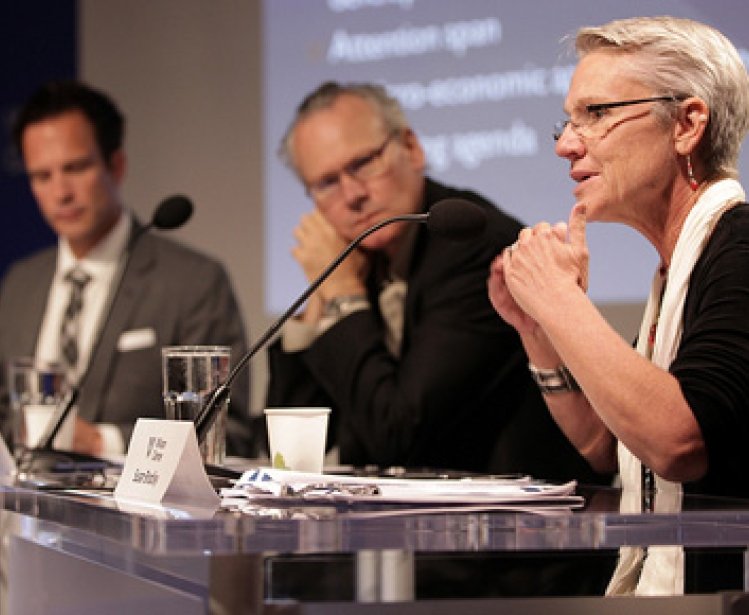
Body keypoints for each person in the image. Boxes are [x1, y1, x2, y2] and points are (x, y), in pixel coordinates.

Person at [487, 16, 749, 595]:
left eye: (597, 113)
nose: (565, 144)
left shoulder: (740, 251)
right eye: (568, 119)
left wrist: (560, 301)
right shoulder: (676, 268)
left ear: (687, 125)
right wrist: (539, 333)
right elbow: (608, 446)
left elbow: (678, 441)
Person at [266, 80, 608, 484]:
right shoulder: (357, 259)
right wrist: (320, 303)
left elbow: (398, 435)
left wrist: (342, 294)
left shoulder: (474, 247)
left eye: (363, 164)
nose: (352, 194)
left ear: (411, 147)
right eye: (327, 183)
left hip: (516, 516)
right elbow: (286, 452)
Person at [0, 80, 252, 457]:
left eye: (76, 168)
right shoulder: (20, 284)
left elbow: (229, 433)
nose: (60, 192)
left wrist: (102, 442)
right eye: (42, 176)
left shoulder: (193, 282)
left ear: (116, 165)